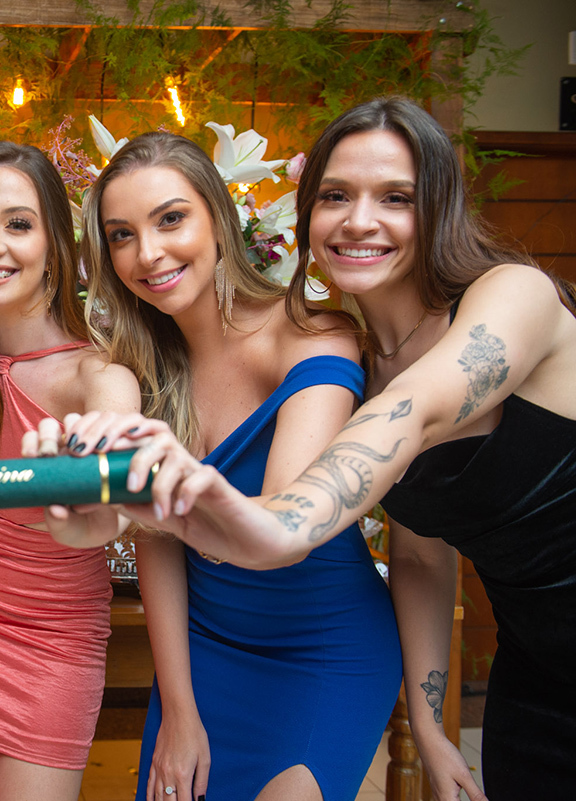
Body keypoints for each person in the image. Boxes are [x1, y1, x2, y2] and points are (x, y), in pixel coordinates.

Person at [58, 98, 576, 801]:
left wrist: (219, 510)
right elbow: (422, 555)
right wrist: (427, 723)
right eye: (335, 195)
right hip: (536, 672)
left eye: (396, 197)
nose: (359, 220)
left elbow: (415, 414)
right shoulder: (371, 361)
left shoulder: (513, 296)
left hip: (321, 646)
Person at [44, 131, 401, 801]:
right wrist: (178, 707)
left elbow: (282, 527)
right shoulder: (142, 370)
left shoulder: (314, 335)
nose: (147, 253)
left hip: (322, 648)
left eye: (170, 218)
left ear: (219, 218)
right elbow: (157, 546)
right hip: (203, 654)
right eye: (121, 235)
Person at [0, 141, 140, 801]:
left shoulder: (100, 374)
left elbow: (116, 485)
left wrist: (103, 494)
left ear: (54, 246)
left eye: (17, 223)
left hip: (55, 637)